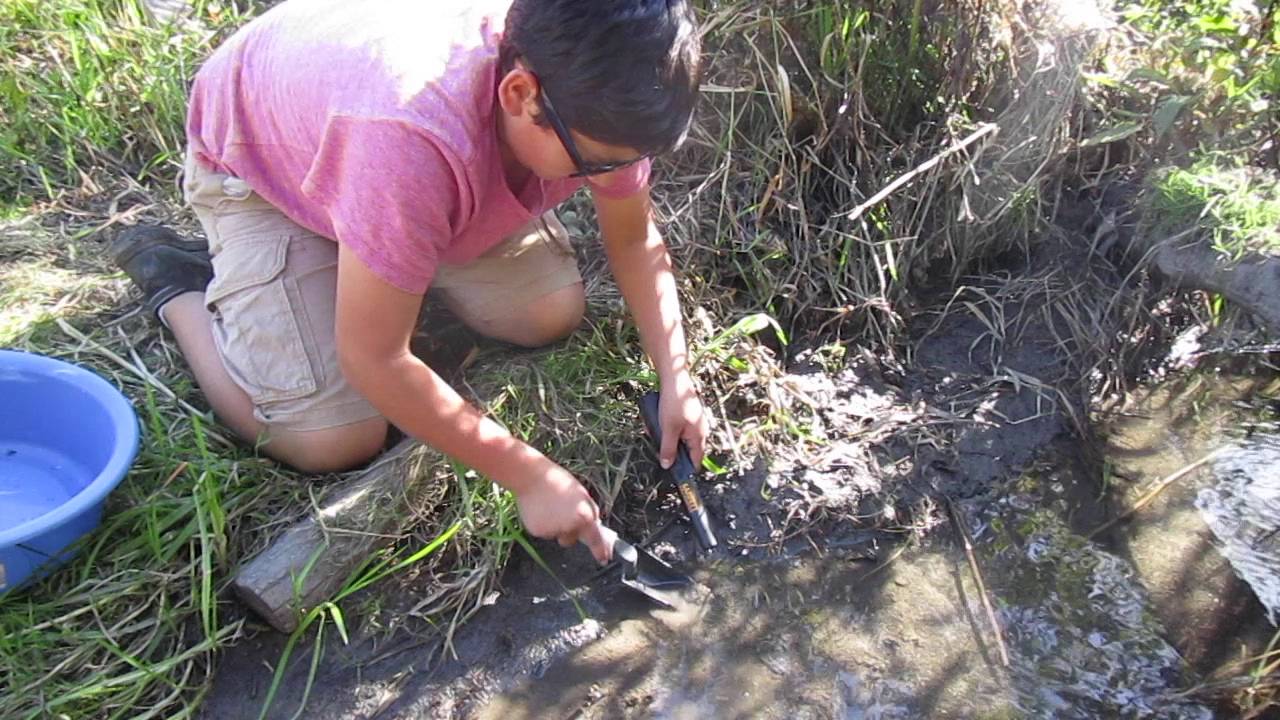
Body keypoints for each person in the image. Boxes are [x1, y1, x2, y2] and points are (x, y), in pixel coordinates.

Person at [111, 0, 710, 564]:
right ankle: (182, 293)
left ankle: (382, 254)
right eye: (600, 162)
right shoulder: (408, 136)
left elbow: (632, 238)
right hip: (266, 172)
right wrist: (529, 476)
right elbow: (373, 358)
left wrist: (675, 377)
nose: (613, 175)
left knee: (546, 312)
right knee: (332, 438)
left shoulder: (594, 88)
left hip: (387, 166)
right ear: (519, 93)